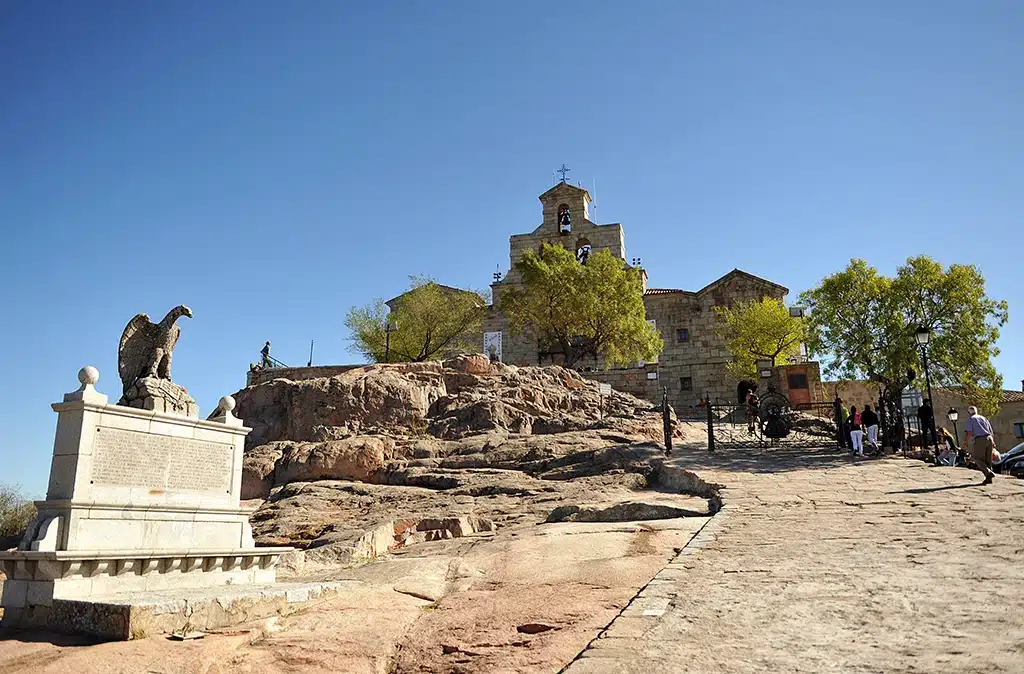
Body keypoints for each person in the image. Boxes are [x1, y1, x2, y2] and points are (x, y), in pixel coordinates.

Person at [963, 405, 997, 485]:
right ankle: (988, 478)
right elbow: (991, 431)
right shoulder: (984, 418)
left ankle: (988, 473)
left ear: (969, 413)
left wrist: (966, 442)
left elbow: (969, 432)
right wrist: (993, 442)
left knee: (976, 458)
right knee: (988, 460)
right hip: (989, 438)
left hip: (980, 439)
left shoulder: (971, 419)